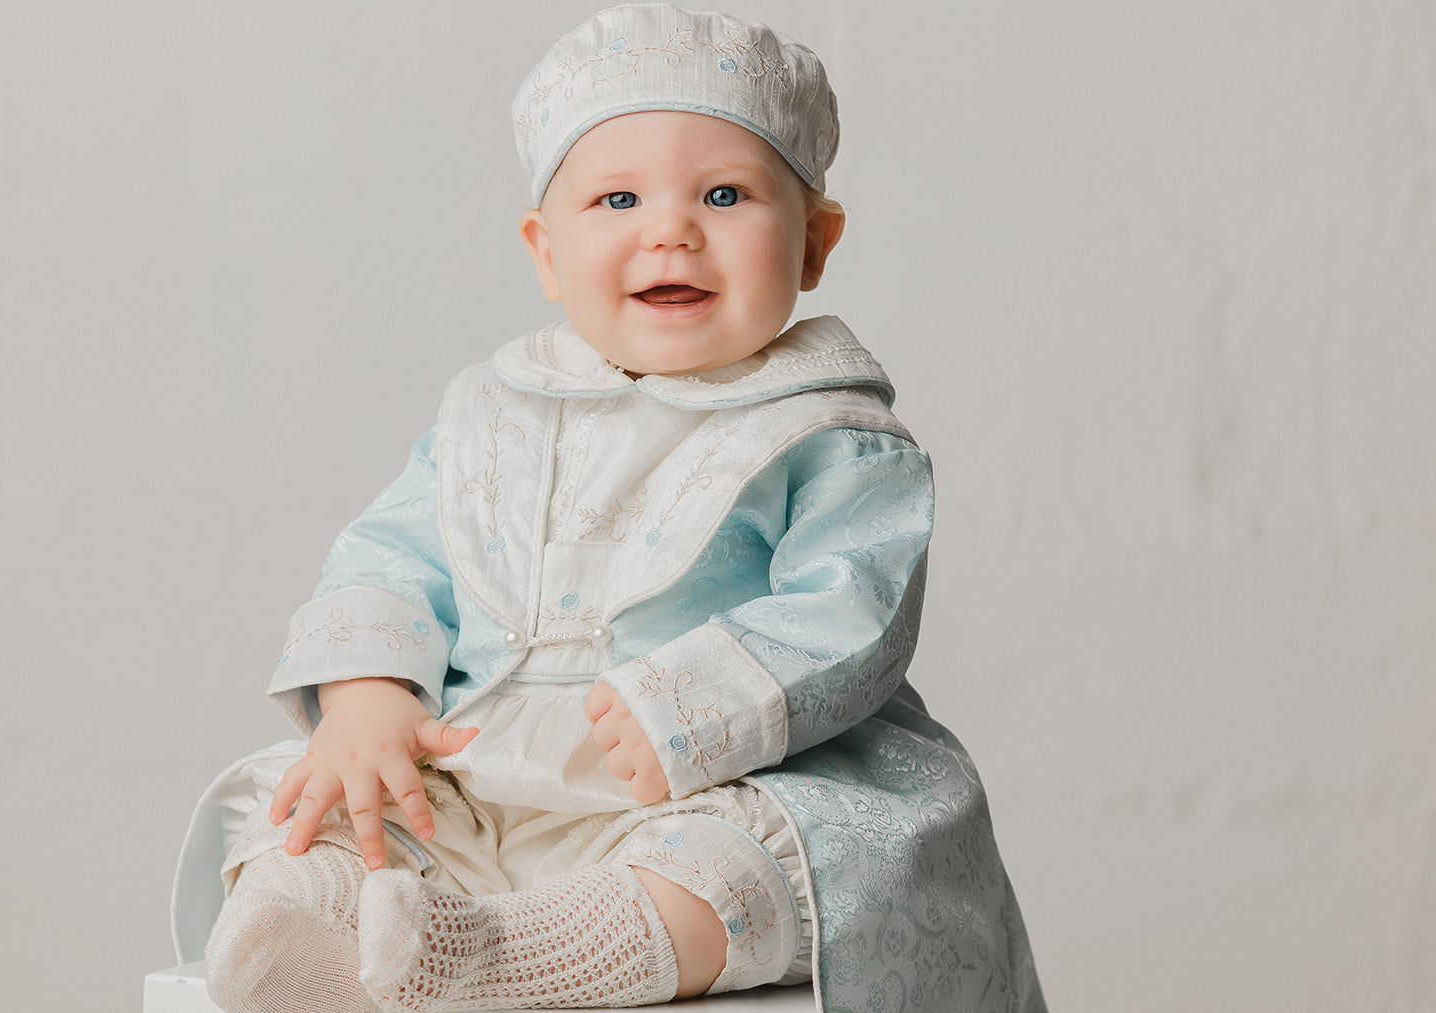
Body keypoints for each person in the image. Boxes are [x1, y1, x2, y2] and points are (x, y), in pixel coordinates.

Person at [170, 5, 1045, 1011]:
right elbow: (390, 556)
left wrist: (692, 700)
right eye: (618, 197)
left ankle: (515, 955)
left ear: (814, 243)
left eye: (724, 194)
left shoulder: (828, 432)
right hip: (479, 764)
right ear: (545, 252)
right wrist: (367, 694)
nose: (670, 229)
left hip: (701, 780)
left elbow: (853, 612)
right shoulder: (488, 416)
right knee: (328, 808)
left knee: (747, 873)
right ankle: (304, 926)